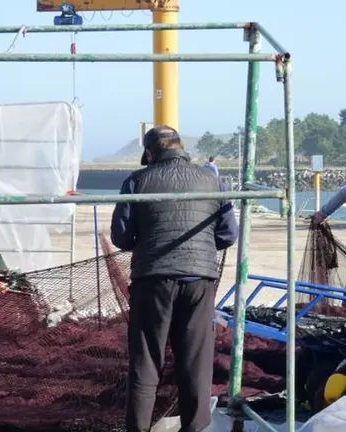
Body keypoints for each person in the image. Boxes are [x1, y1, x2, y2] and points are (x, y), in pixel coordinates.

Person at [110, 125, 238, 432]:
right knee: (196, 360)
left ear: (150, 153)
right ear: (182, 148)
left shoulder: (137, 181)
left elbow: (121, 237)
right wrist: (200, 245)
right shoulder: (213, 179)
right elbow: (228, 234)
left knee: (146, 363)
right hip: (199, 279)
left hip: (152, 279)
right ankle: (195, 428)